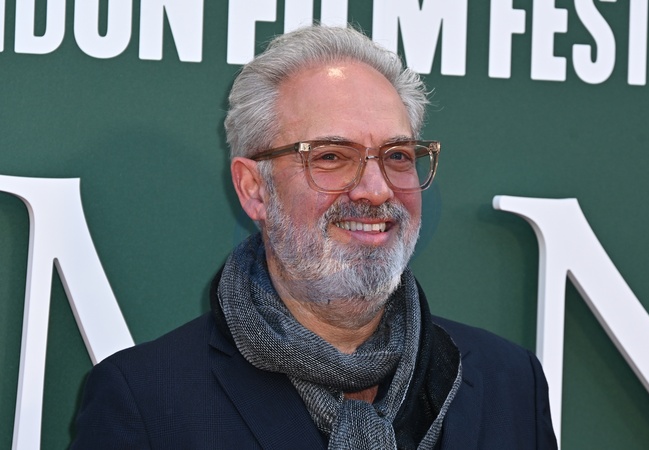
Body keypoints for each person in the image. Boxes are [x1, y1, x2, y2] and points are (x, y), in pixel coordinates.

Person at [72, 25, 557, 449]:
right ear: (254, 188)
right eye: (330, 156)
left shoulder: (510, 383)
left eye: (397, 155)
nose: (376, 190)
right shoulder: (147, 402)